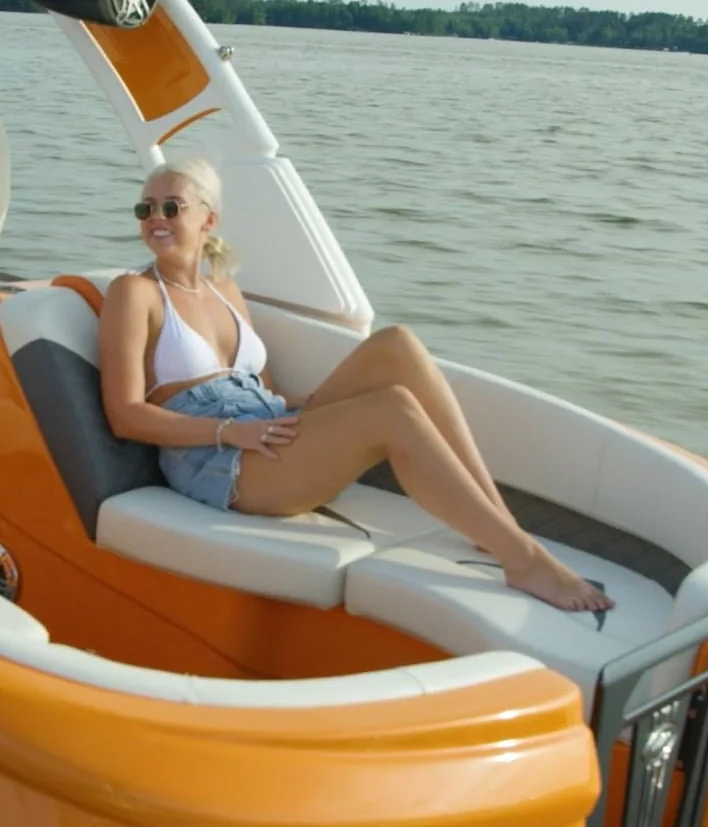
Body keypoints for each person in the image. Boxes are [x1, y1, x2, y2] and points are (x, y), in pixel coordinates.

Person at [96, 158, 613, 613]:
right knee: (392, 409)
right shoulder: (134, 292)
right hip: (212, 457)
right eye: (146, 210)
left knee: (397, 346)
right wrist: (229, 432)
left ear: (208, 218)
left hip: (264, 425)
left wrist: (319, 415)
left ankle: (497, 517)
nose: (157, 220)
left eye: (171, 207)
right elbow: (125, 413)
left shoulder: (227, 290)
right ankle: (521, 559)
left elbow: (266, 389)